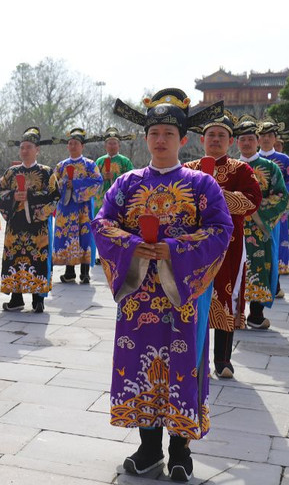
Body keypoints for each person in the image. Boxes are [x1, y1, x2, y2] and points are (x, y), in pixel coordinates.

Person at [97, 88, 231, 481]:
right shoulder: (126, 183)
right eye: (154, 132)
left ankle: (180, 451)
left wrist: (173, 249)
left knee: (183, 367)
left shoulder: (201, 185)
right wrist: (136, 245)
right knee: (139, 364)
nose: (160, 140)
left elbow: (221, 230)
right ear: (145, 137)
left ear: (182, 139)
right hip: (138, 295)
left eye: (168, 134)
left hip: (182, 295)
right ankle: (148, 446)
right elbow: (102, 224)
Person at [184, 113, 262, 378]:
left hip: (226, 245)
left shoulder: (241, 170)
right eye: (211, 135)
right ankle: (193, 359)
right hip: (191, 246)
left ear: (230, 141)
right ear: (202, 139)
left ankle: (223, 361)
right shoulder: (187, 168)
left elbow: (251, 202)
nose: (215, 140)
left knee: (224, 295)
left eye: (221, 136)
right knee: (190, 298)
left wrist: (215, 191)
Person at [0, 127, 60, 313]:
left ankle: (38, 299)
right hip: (15, 225)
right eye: (22, 147)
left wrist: (31, 199)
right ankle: (16, 298)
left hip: (37, 225)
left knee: (38, 259)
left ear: (37, 149)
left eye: (29, 147)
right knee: (14, 258)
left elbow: (54, 196)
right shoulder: (11, 172)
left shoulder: (47, 172)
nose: (24, 150)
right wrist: (14, 197)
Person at [235, 115, 288, 331]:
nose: (246, 143)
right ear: (236, 142)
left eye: (250, 138)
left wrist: (254, 209)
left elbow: (281, 196)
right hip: (234, 229)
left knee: (259, 267)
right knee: (234, 269)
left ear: (257, 140)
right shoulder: (231, 166)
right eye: (242, 139)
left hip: (257, 229)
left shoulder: (269, 167)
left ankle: (255, 315)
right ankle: (234, 315)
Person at [52, 128, 102, 284]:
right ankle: (69, 272)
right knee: (67, 236)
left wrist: (75, 184)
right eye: (70, 143)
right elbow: (52, 186)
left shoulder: (89, 165)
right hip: (65, 208)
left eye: (76, 143)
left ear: (82, 146)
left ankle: (85, 273)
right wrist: (63, 185)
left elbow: (97, 181)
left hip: (83, 208)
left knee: (84, 237)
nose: (73, 146)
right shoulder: (60, 166)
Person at [257, 118, 289, 280]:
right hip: (255, 210)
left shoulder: (284, 160)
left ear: (275, 139)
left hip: (277, 210)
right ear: (258, 139)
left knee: (279, 238)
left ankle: (279, 267)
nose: (266, 138)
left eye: (270, 135)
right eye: (262, 135)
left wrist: (280, 196)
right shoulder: (249, 160)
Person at [94, 127, 134, 216]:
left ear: (119, 145)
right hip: (101, 198)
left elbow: (132, 179)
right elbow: (92, 178)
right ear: (105, 146)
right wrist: (103, 177)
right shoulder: (99, 161)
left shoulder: (125, 161)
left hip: (119, 197)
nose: (112, 146)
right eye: (109, 143)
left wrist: (115, 176)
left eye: (114, 143)